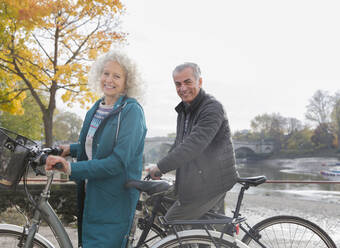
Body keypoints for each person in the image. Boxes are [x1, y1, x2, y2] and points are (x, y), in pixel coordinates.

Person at [45, 51, 147, 248]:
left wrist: (72, 169)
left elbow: (117, 162)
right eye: (106, 73)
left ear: (127, 82)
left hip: (114, 197)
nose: (109, 80)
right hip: (91, 192)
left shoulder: (132, 112)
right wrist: (70, 149)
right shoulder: (96, 108)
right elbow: (97, 146)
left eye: (117, 76)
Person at [148, 62, 238, 224]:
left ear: (200, 82)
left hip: (211, 182)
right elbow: (179, 144)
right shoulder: (184, 109)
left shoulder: (212, 108)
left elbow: (193, 146)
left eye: (187, 82)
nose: (183, 88)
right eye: (178, 84)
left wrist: (161, 166)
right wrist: (159, 168)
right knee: (206, 232)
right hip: (196, 179)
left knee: (172, 224)